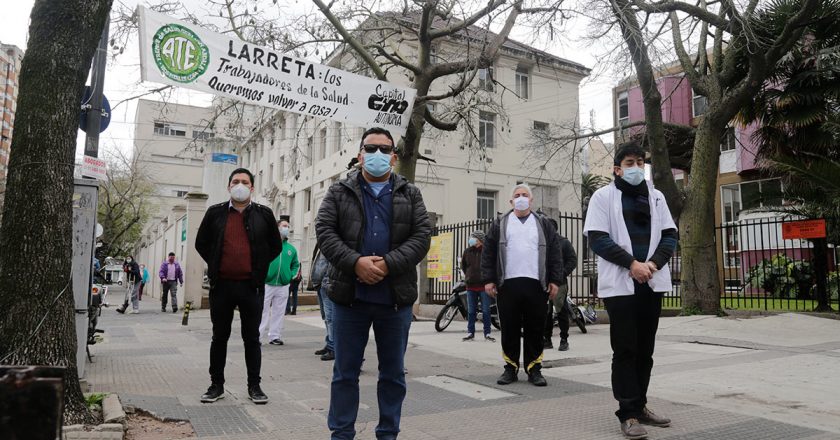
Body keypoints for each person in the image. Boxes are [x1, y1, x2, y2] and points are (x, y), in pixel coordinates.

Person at [316, 127, 431, 440]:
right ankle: (341, 434)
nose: (378, 154)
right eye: (371, 148)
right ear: (360, 154)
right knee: (344, 373)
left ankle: (388, 433)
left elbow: (422, 237)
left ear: (393, 156)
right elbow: (325, 232)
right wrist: (356, 263)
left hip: (394, 301)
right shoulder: (339, 191)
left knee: (393, 374)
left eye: (384, 149)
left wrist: (388, 264)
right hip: (348, 298)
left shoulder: (411, 193)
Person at [583, 142, 678, 439]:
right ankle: (627, 413)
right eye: (629, 162)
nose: (635, 167)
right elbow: (598, 239)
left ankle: (641, 405)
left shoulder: (657, 197)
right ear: (617, 168)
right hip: (621, 285)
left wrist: (651, 265)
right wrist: (632, 264)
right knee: (625, 348)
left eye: (640, 161)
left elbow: (669, 235)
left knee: (645, 349)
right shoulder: (603, 197)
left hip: (650, 280)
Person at [195, 168, 283, 405]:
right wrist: (215, 263)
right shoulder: (215, 213)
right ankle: (216, 385)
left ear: (252, 187)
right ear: (229, 186)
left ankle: (255, 386)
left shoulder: (264, 214)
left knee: (252, 338)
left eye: (245, 182)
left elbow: (275, 246)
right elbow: (201, 243)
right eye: (236, 181)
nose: (240, 185)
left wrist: (258, 268)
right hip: (221, 286)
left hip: (251, 287)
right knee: (219, 337)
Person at [480, 183, 563, 387]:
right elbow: (488, 253)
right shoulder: (500, 223)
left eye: (525, 195)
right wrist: (489, 279)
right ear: (511, 201)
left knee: (536, 327)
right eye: (517, 195)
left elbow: (555, 254)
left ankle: (534, 369)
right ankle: (510, 368)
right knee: (510, 327)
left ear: (531, 200)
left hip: (536, 284)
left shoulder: (543, 223)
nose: (521, 198)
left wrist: (555, 280)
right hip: (507, 284)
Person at [260, 216, 300, 346]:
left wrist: (291, 275)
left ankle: (275, 336)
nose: (286, 228)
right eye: (284, 226)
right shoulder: (267, 244)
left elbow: (295, 265)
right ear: (277, 228)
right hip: (267, 283)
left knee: (279, 311)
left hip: (283, 284)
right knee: (262, 310)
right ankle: (257, 336)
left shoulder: (291, 249)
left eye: (288, 226)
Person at [543, 219, 578, 351]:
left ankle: (564, 339)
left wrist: (562, 273)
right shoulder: (542, 243)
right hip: (544, 283)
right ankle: (547, 339)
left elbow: (572, 260)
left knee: (560, 310)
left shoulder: (564, 242)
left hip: (560, 283)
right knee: (546, 312)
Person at [460, 230, 495, 342]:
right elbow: (464, 267)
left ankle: (487, 333)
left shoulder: (487, 252)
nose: (471, 239)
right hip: (471, 286)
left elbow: (491, 266)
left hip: (484, 286)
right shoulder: (467, 252)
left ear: (480, 240)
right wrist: (469, 277)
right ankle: (470, 332)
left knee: (486, 310)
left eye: (473, 237)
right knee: (471, 311)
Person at [310, 245, 335, 361]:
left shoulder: (331, 242)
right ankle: (329, 343)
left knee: (330, 318)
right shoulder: (321, 242)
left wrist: (322, 280)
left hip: (326, 283)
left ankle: (333, 348)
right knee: (326, 317)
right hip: (320, 283)